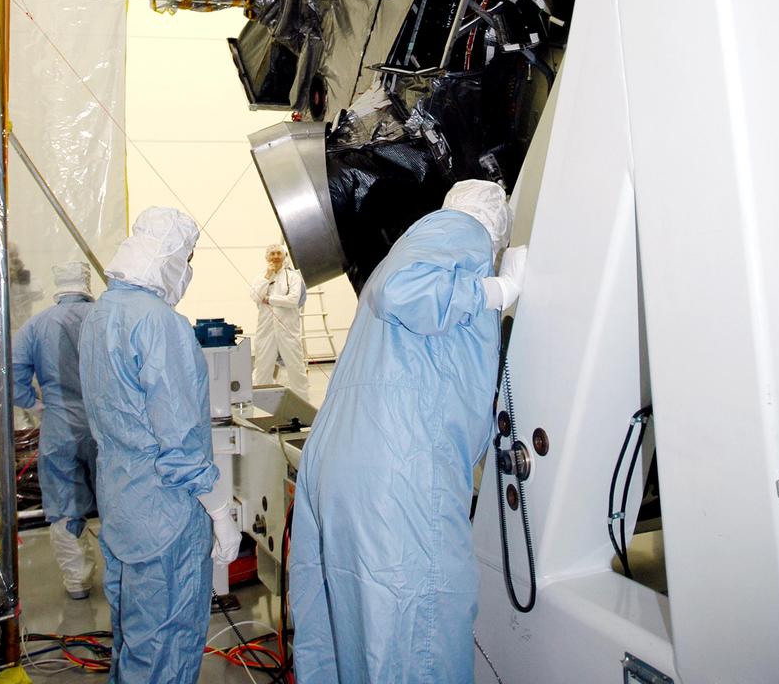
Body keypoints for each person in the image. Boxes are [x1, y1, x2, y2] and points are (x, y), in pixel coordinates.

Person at [289, 179, 528, 684]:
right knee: (419, 629)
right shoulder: (460, 232)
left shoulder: (408, 247)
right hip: (399, 470)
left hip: (348, 459)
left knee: (349, 633)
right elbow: (404, 293)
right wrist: (498, 288)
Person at [79, 206, 240, 684]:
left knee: (134, 639)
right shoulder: (160, 324)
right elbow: (183, 444)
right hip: (166, 516)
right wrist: (220, 511)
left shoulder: (99, 315)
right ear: (171, 256)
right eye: (188, 257)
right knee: (167, 647)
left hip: (123, 506)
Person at [12, 259, 98, 599]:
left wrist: (33, 402)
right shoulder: (104, 319)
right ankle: (124, 580)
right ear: (86, 281)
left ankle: (77, 581)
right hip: (105, 427)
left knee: (64, 505)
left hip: (59, 427)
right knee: (117, 500)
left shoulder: (36, 326)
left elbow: (14, 370)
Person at [250, 242, 309, 398]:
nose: (275, 256)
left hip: (288, 330)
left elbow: (293, 300)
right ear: (267, 257)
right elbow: (255, 296)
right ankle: (261, 405)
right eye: (272, 253)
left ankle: (303, 403)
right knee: (263, 368)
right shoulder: (261, 277)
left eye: (278, 253)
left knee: (296, 368)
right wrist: (267, 277)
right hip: (266, 331)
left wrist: (269, 299)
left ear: (284, 256)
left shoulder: (293, 277)